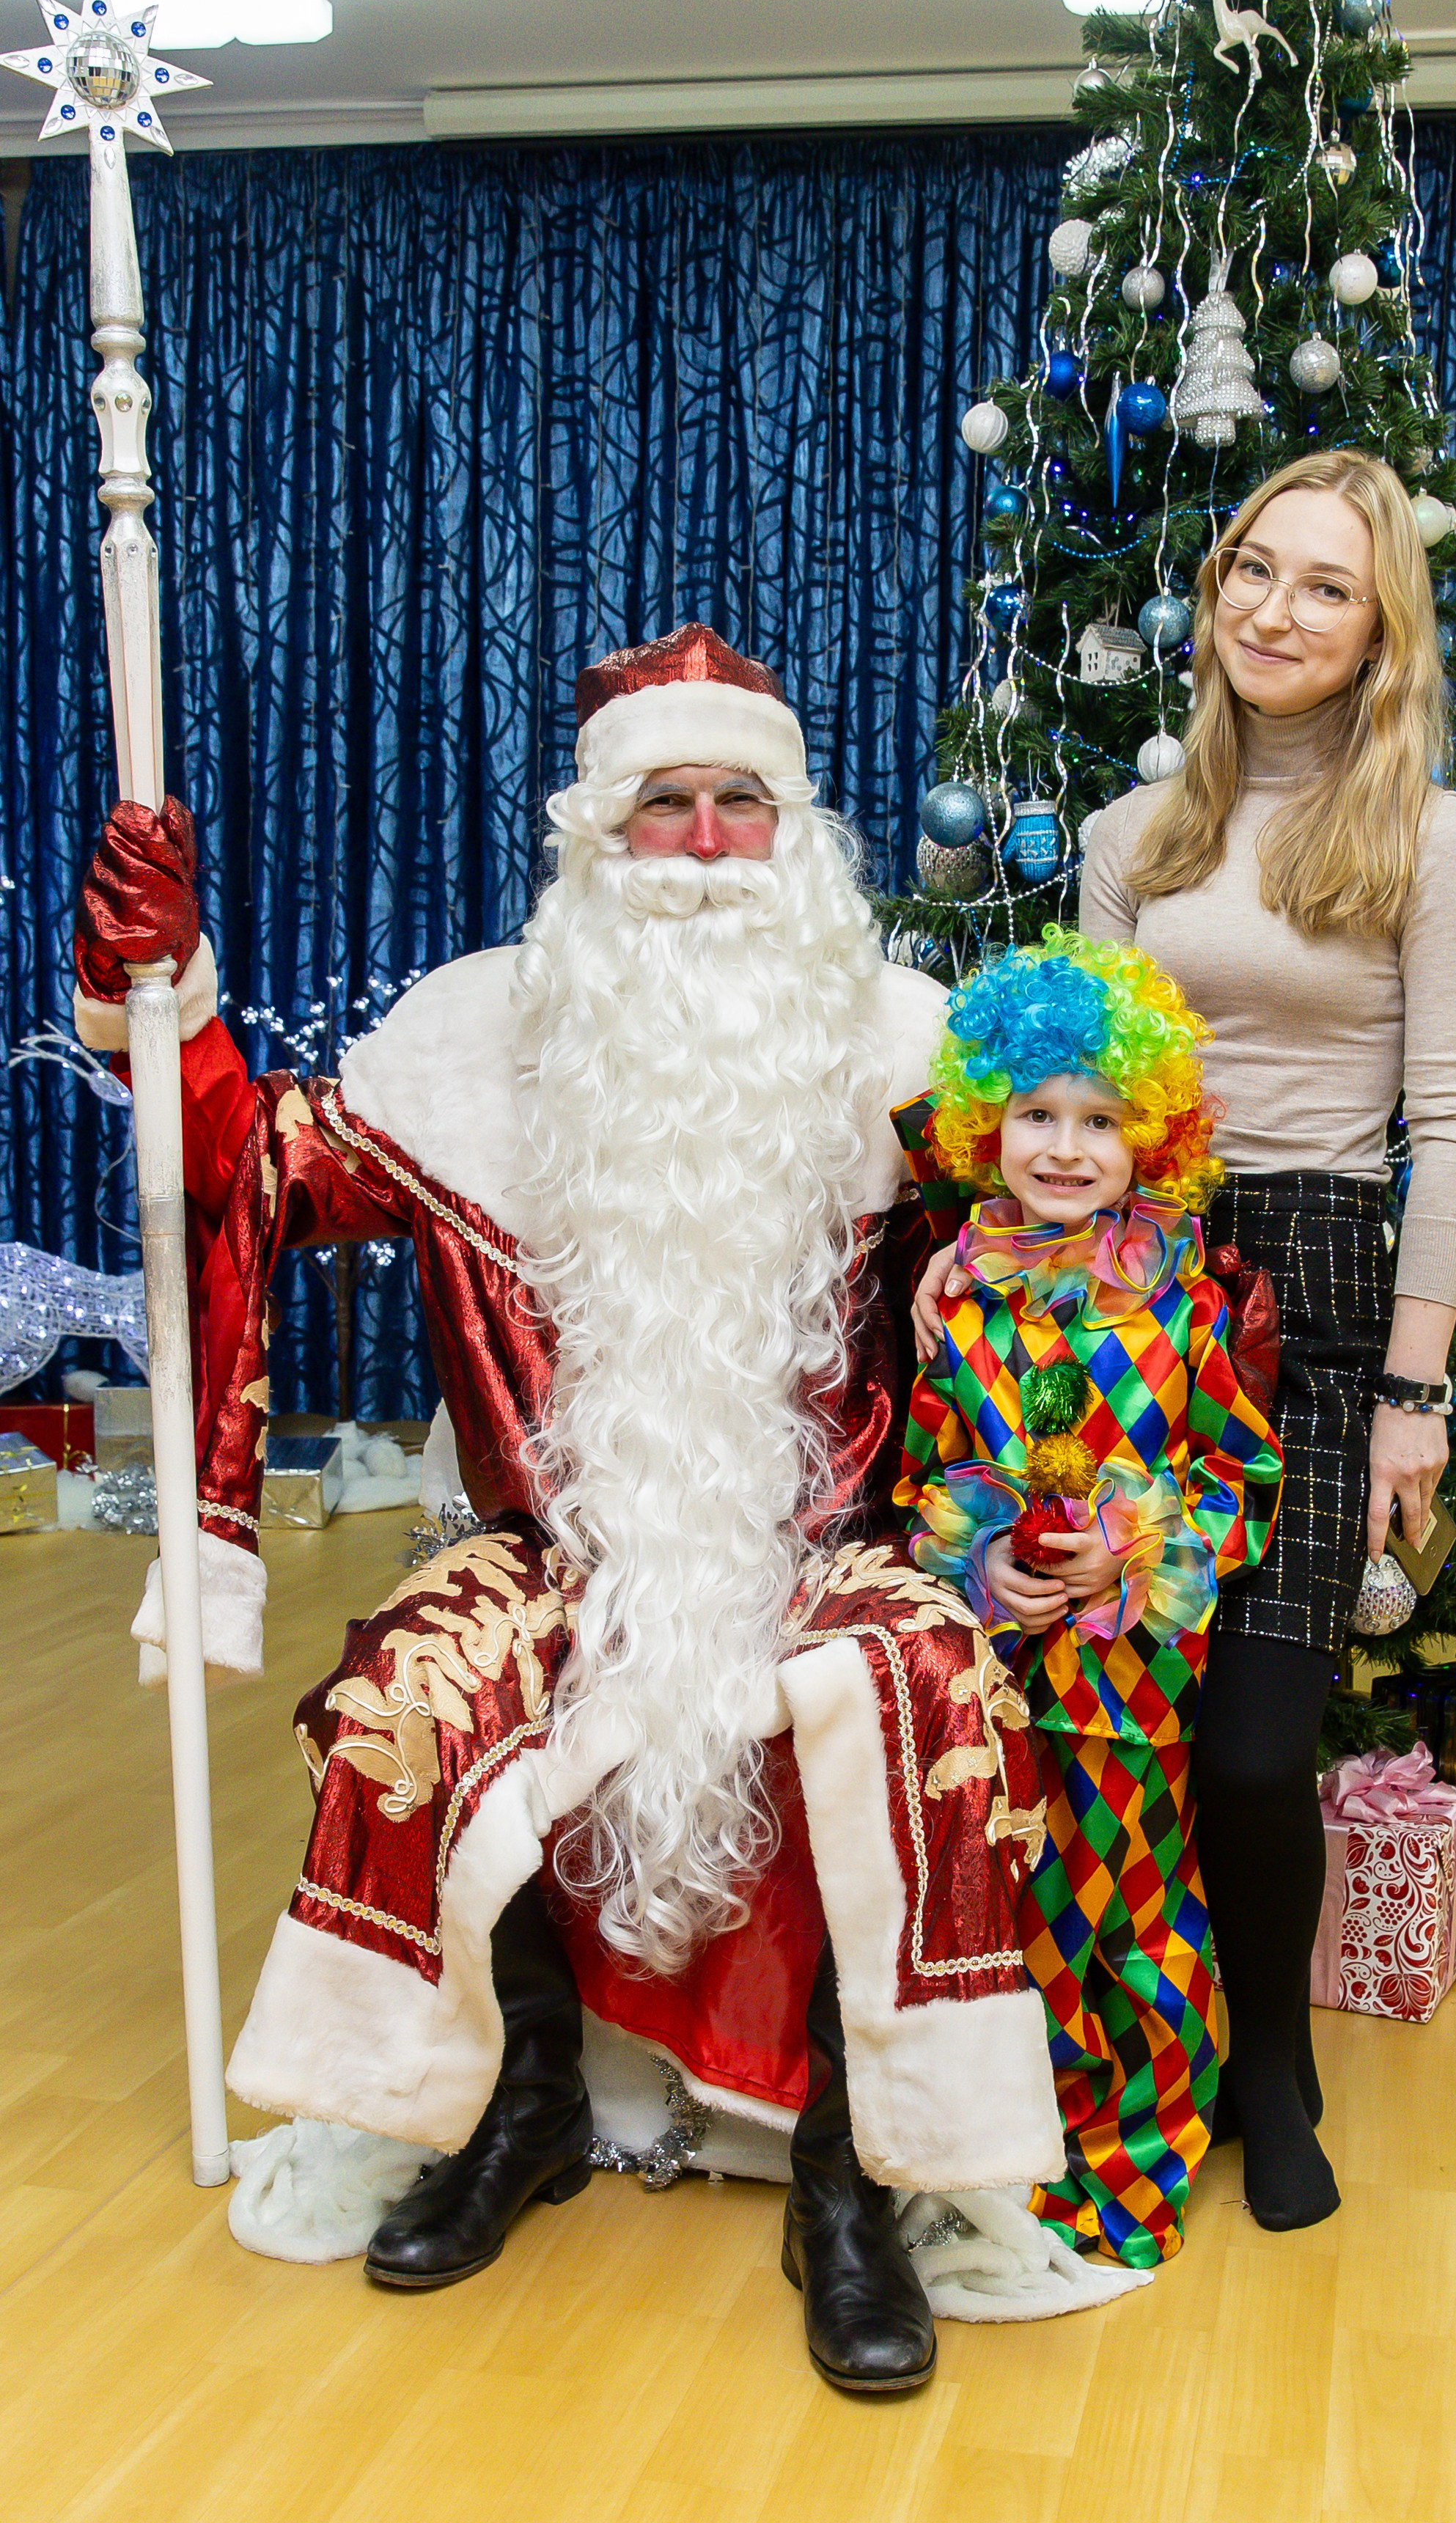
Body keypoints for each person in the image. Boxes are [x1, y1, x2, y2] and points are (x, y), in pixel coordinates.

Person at [71, 623, 1067, 2392]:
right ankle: (518, 2095)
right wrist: (158, 985)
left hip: (832, 1546)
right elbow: (239, 1167)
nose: (697, 845)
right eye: (660, 805)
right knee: (407, 1691)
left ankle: (856, 2178)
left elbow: (1067, 1276)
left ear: (796, 831)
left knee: (933, 1693)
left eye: (735, 804)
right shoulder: (472, 1048)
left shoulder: (912, 1060)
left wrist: (1043, 1508)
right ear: (594, 842)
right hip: (549, 1548)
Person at [913, 451, 1456, 2232]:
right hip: (1126, 1297)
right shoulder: (1126, 841)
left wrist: (1412, 1389)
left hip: (1318, 1296)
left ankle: (1275, 2067)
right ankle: (1097, 2046)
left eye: (1326, 585)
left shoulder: (1430, 838)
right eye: (1253, 568)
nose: (1273, 609)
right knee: (1106, 1722)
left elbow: (1451, 1125)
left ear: (1382, 623)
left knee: (1251, 1741)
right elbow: (1066, 1089)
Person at [891, 929, 1282, 2270]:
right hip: (1006, 1675)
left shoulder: (1181, 1304)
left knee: (1139, 1923)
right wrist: (976, 1555)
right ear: (983, 1125)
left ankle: (1141, 2166)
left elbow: (1239, 1474)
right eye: (1035, 1115)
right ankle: (1044, 2147)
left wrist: (1134, 1551)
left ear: (1149, 1137)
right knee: (1034, 1918)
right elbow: (929, 1469)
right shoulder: (962, 1304)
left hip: (1128, 1681)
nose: (1063, 1146)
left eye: (1099, 1120)